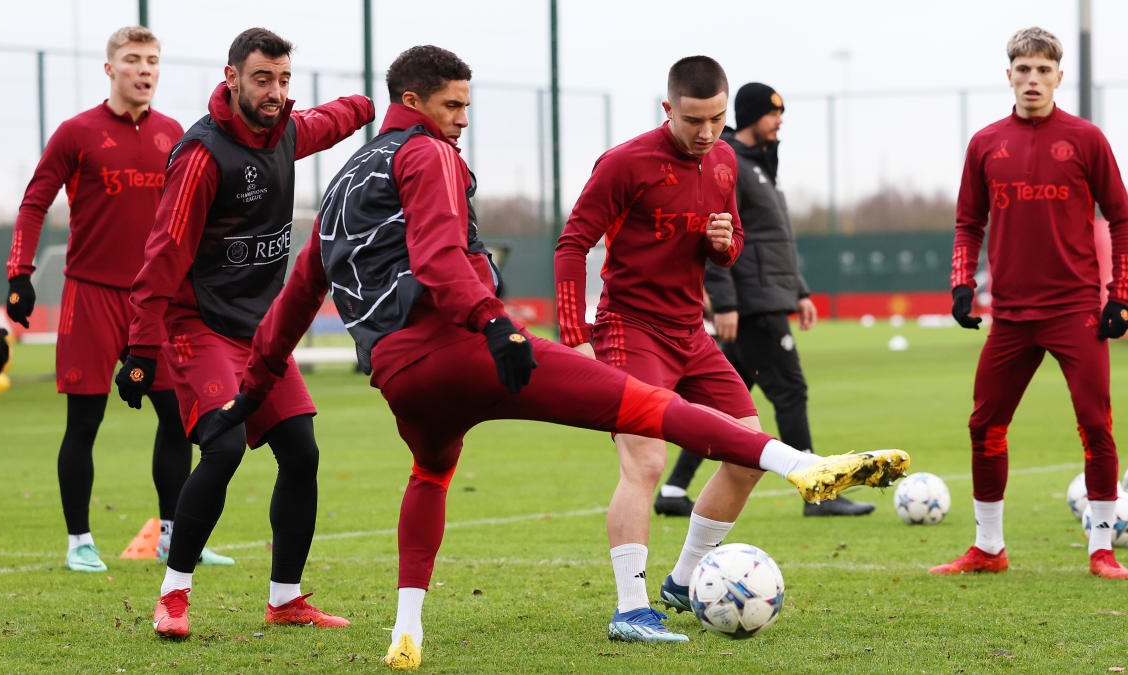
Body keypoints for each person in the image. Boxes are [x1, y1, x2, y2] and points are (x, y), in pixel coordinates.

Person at [197, 45, 907, 669]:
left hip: (399, 377)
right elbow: (450, 257)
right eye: (454, 106)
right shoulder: (430, 153)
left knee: (430, 473)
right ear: (413, 102)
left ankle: (406, 630)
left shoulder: (344, 184)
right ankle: (801, 467)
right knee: (654, 419)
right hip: (478, 345)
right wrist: (502, 324)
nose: (464, 120)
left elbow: (292, 301)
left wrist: (249, 391)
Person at [554, 56, 902, 643]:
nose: (708, 132)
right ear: (668, 109)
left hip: (691, 332)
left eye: (717, 118)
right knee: (645, 462)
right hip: (629, 328)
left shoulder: (722, 161)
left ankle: (682, 581)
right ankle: (631, 609)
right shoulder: (624, 163)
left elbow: (731, 243)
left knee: (746, 453)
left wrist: (723, 243)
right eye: (694, 120)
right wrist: (573, 332)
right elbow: (573, 243)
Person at [115, 27, 375, 637]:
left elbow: (334, 119)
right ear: (231, 77)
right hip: (198, 325)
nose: (277, 92)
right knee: (225, 447)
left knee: (302, 453)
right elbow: (163, 257)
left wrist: (378, 104)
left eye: (285, 80)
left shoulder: (284, 129)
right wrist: (139, 350)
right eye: (263, 79)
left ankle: (285, 599)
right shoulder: (203, 156)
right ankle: (173, 597)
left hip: (259, 331)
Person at [4, 26, 233, 573]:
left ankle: (174, 536)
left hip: (155, 302)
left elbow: (200, 214)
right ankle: (79, 540)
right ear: (110, 69)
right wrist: (19, 273)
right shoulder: (76, 133)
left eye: (152, 61)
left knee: (176, 419)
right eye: (133, 60)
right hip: (89, 297)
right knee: (83, 424)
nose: (144, 70)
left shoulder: (177, 133)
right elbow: (35, 202)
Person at [935, 27, 1128, 580]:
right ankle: (988, 548)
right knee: (985, 426)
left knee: (1096, 426)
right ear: (1009, 75)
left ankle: (1102, 549)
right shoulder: (986, 143)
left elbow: (1121, 218)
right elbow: (967, 222)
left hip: (1076, 312)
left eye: (1043, 70)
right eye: (1023, 69)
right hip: (1012, 317)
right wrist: (961, 284)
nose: (1032, 79)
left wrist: (1119, 295)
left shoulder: (1086, 139)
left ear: (1058, 77)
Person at [654, 83, 875, 518]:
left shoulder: (759, 166)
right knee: (790, 390)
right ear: (754, 116)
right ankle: (820, 490)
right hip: (752, 303)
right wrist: (725, 301)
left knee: (727, 404)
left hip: (768, 295)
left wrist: (801, 290)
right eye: (773, 113)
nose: (780, 121)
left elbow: (776, 240)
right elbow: (716, 233)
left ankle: (676, 490)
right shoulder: (729, 161)